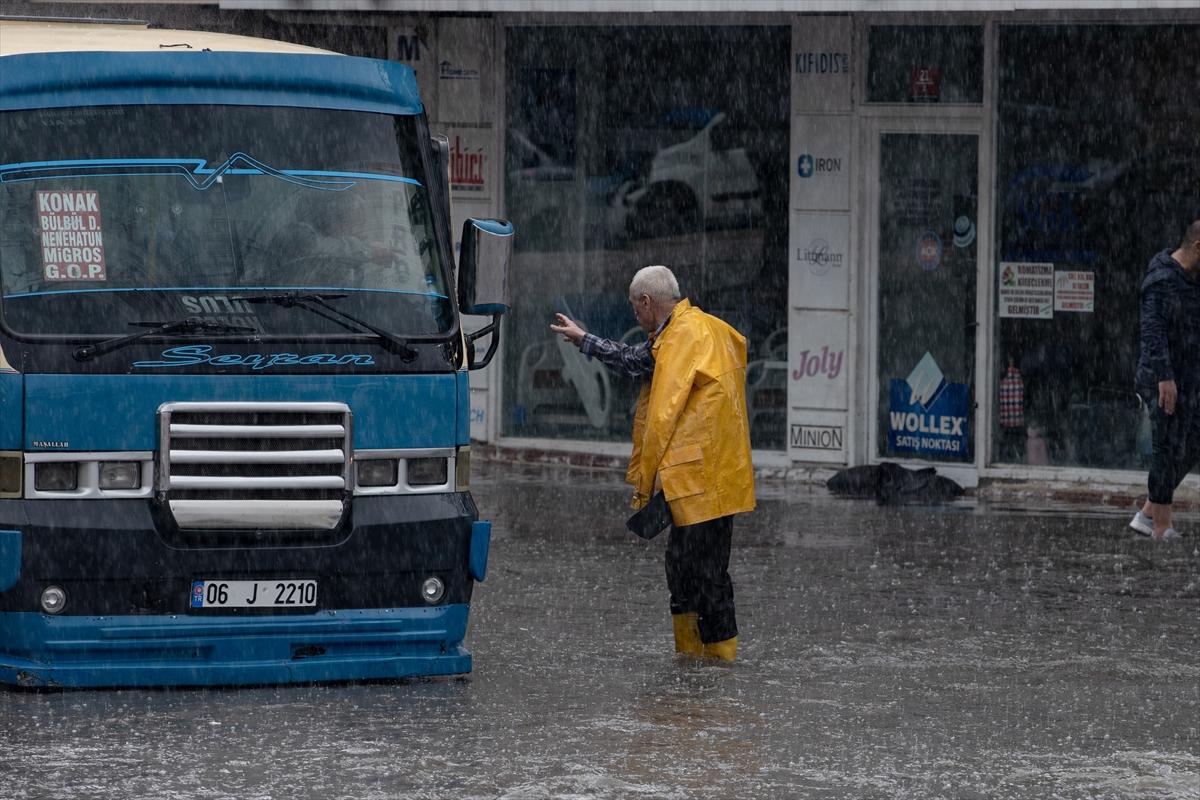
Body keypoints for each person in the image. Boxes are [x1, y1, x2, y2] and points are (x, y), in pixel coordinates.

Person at [550, 265, 755, 660]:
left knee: (706, 574)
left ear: (647, 302)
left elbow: (661, 414)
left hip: (702, 478)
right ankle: (694, 664)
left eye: (634, 307)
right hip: (708, 476)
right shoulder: (698, 329)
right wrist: (584, 339)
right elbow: (639, 360)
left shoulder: (683, 337)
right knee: (683, 567)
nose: (634, 316)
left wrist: (644, 483)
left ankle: (715, 666)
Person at [1130, 218, 1200, 540]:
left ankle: (1148, 513)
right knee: (1166, 447)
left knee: (1191, 442)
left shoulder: (1192, 279)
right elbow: (1153, 332)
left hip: (1187, 378)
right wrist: (1164, 376)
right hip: (1162, 379)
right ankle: (1161, 527)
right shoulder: (1161, 279)